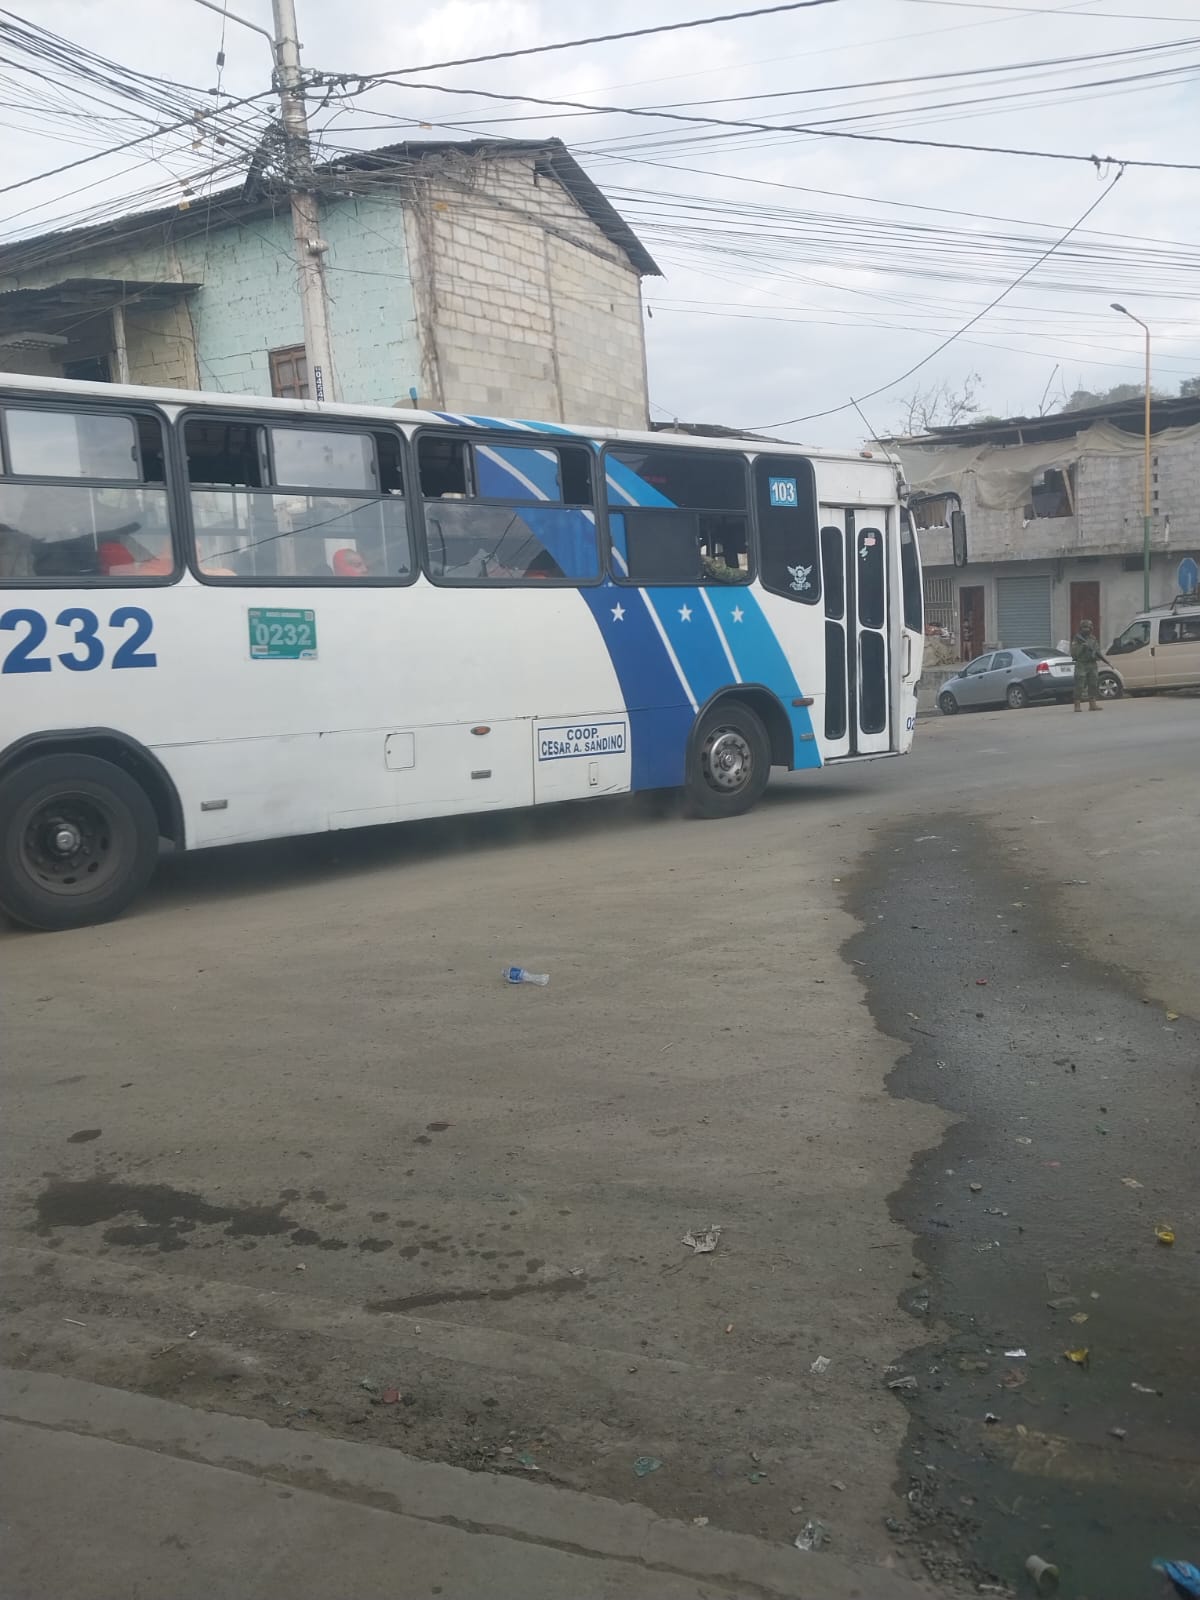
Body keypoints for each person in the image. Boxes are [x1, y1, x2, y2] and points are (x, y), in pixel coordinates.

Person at [1070, 618, 1110, 712]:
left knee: (1093, 684)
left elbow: (1097, 651)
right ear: (1081, 628)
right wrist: (1082, 647)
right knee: (1079, 684)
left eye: (1089, 627)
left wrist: (1095, 655)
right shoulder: (1077, 639)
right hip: (1081, 664)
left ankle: (1092, 704)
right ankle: (1077, 704)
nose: (1087, 629)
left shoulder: (1093, 639)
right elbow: (1074, 654)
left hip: (1092, 664)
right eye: (1085, 627)